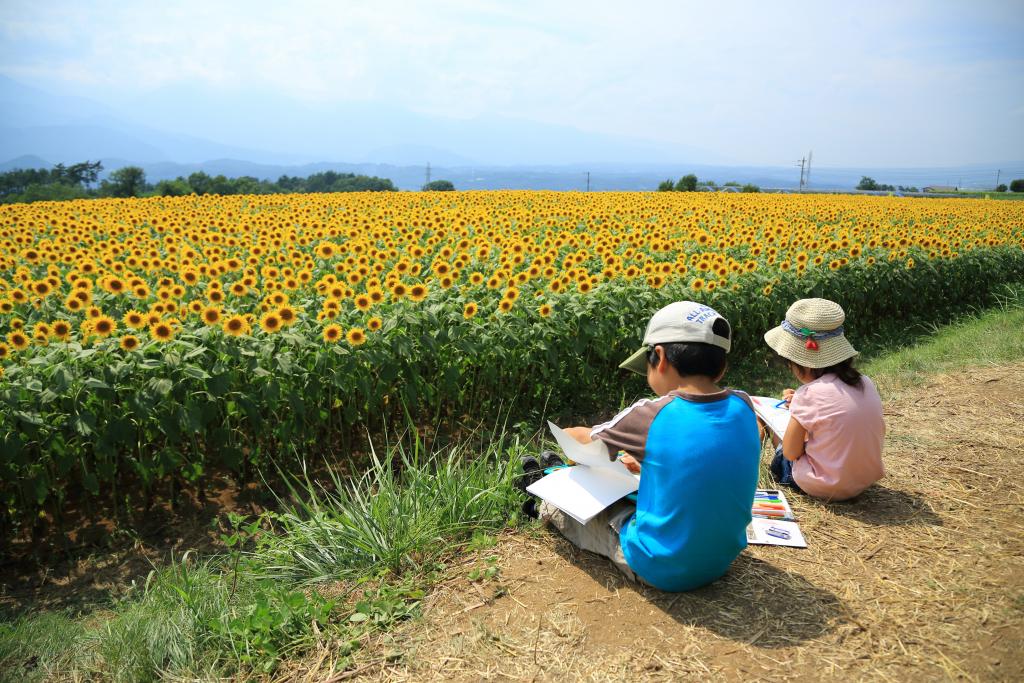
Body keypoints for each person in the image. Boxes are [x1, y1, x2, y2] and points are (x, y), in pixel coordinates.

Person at [533, 301, 761, 592]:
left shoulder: (650, 415)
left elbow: (579, 442)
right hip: (721, 560)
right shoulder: (743, 403)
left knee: (557, 506)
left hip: (661, 567)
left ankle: (540, 491)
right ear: (721, 366)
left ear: (661, 357)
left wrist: (568, 431)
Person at [763, 298, 885, 500]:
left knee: (772, 431)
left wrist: (798, 408)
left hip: (823, 486)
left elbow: (792, 453)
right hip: (862, 481)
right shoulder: (865, 383)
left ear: (805, 363)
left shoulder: (808, 394)